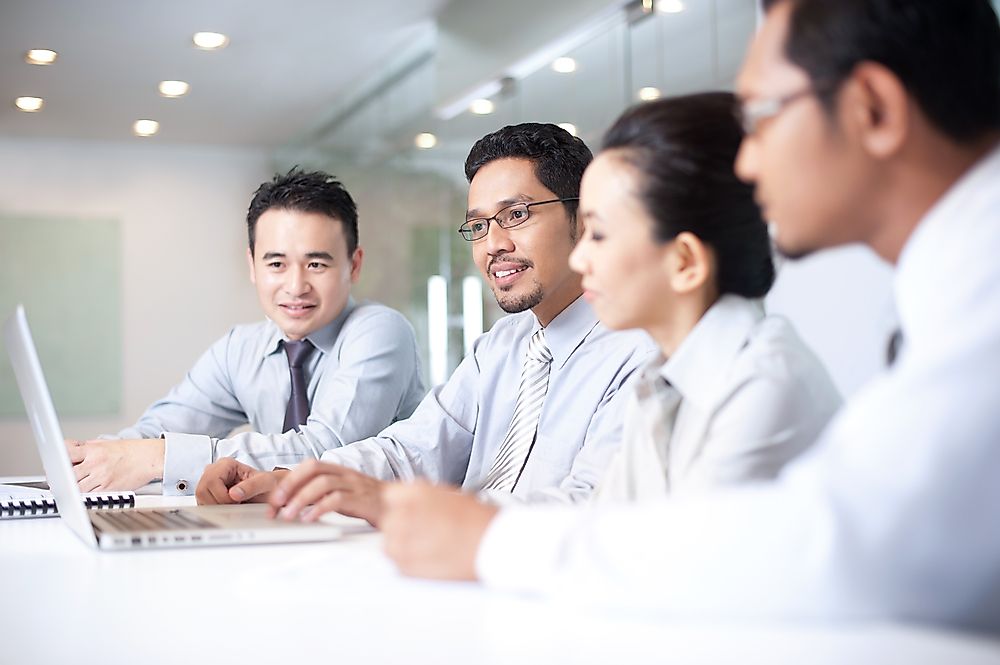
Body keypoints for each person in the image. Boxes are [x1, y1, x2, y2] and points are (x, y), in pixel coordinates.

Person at [378, 0, 1000, 633]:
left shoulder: (974, 290)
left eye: (761, 117)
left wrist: (493, 541)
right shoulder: (947, 285)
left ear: (873, 107)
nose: (749, 164)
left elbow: (844, 544)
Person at [196, 123, 655, 523]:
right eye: (478, 225)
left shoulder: (639, 352)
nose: (493, 244)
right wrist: (292, 481)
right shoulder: (500, 347)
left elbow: (592, 506)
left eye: (516, 215)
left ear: (583, 217)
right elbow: (410, 451)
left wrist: (405, 507)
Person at [68, 169, 426, 495]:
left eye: (316, 264)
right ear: (252, 266)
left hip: (373, 542)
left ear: (354, 264)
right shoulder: (240, 349)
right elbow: (159, 429)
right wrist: (94, 457)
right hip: (278, 533)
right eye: (276, 264)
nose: (296, 285)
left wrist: (158, 457)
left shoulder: (381, 331)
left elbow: (326, 451)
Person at [569, 92, 840, 502]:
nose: (579, 258)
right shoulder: (661, 381)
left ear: (685, 261)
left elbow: (677, 558)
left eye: (599, 234)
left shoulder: (763, 385)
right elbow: (607, 532)